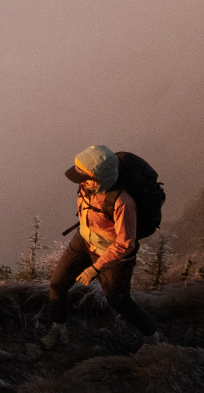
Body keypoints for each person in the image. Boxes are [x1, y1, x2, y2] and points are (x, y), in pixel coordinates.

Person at [40, 144, 161, 338]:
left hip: (113, 254)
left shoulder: (122, 202)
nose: (79, 182)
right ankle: (58, 330)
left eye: (84, 177)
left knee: (118, 301)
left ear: (99, 178)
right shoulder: (87, 186)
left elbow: (125, 243)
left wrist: (95, 268)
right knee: (58, 283)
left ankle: (153, 337)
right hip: (84, 240)